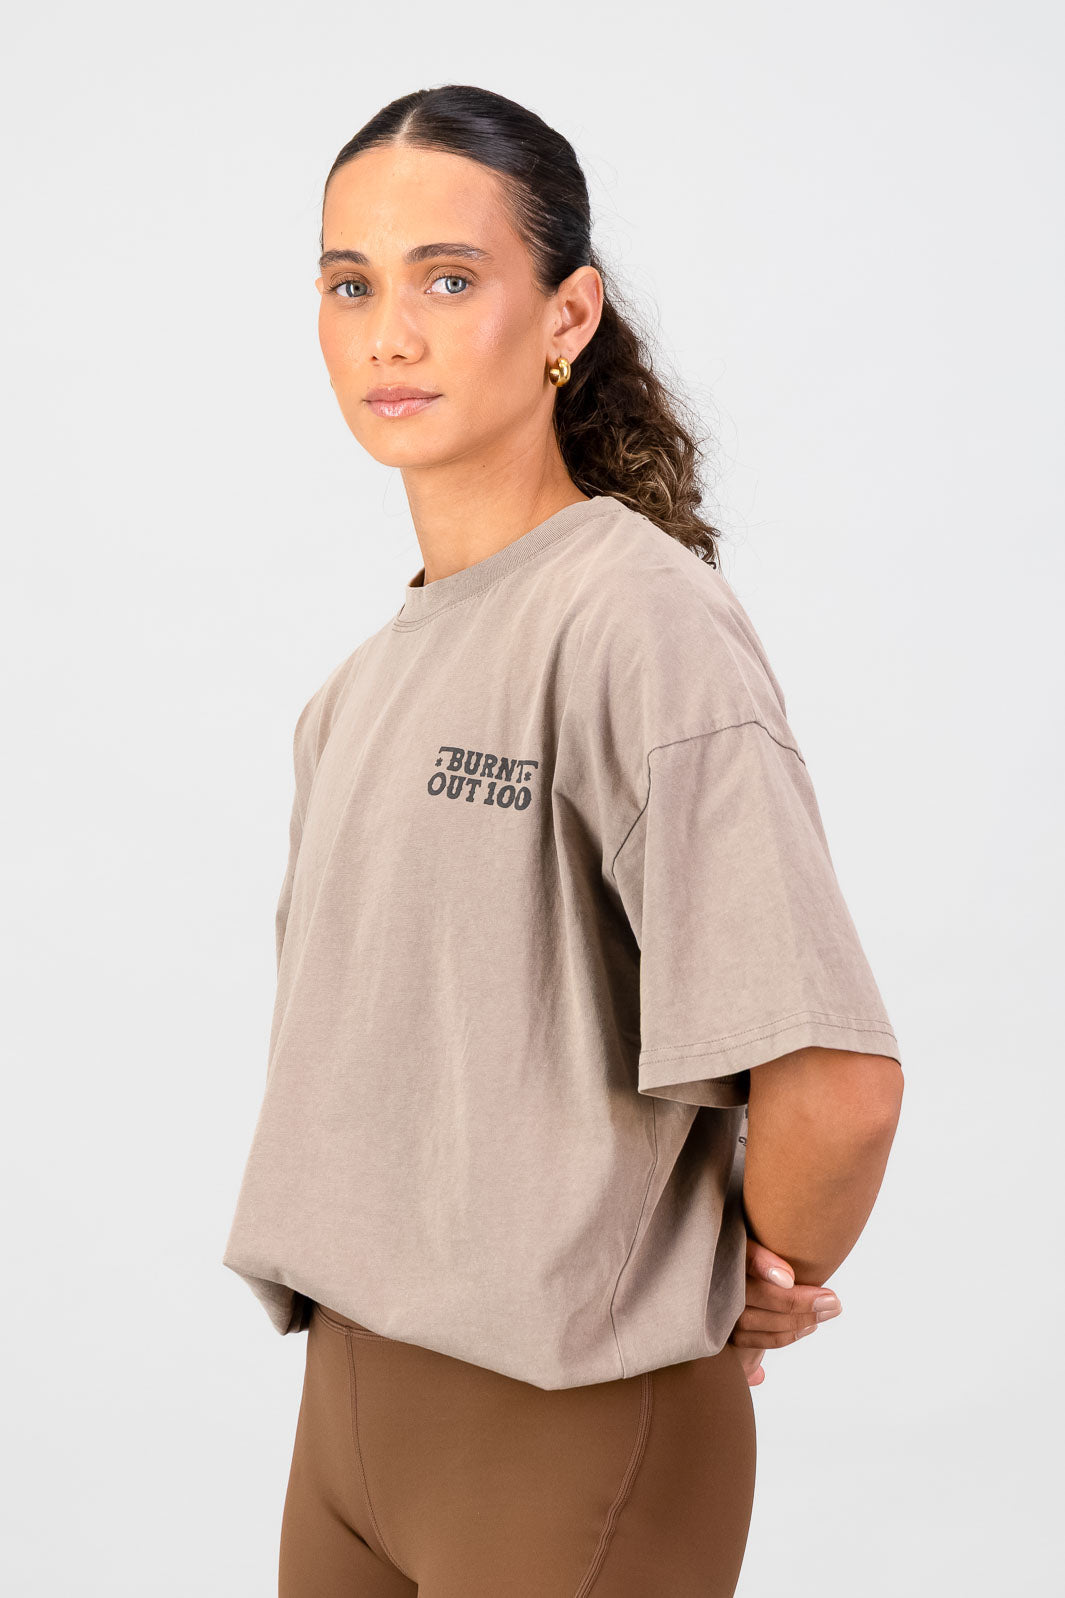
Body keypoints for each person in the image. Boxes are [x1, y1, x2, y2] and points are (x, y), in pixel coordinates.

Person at [221, 82, 905, 1598]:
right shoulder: (357, 691)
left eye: (446, 278)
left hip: (566, 1431)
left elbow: (839, 1083)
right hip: (346, 1417)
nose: (389, 335)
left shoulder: (635, 618)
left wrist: (752, 1274)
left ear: (567, 316)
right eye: (350, 285)